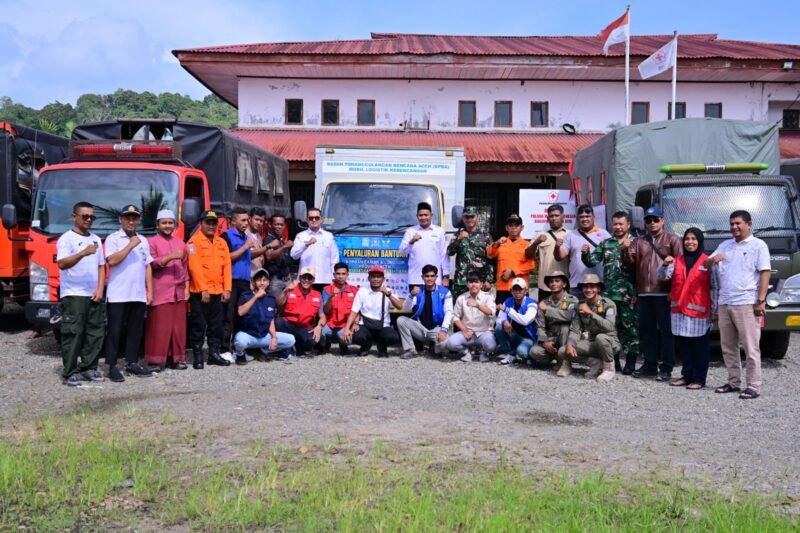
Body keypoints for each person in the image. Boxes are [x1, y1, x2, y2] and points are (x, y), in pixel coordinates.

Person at [706, 210, 771, 400]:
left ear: (749, 224)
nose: (734, 227)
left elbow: (765, 273)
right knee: (728, 346)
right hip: (725, 302)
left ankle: (754, 385)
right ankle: (733, 381)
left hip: (747, 302)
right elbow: (708, 265)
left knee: (750, 347)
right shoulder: (725, 245)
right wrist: (712, 260)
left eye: (738, 223)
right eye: (732, 224)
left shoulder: (758, 246)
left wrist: (761, 300)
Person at [622, 206, 683, 382]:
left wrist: (674, 291)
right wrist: (625, 249)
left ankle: (666, 367)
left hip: (664, 293)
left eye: (656, 219)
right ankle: (649, 365)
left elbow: (680, 268)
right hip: (644, 294)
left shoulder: (673, 240)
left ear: (663, 220)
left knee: (666, 332)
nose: (652, 223)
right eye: (648, 220)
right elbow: (628, 264)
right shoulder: (639, 241)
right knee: (646, 332)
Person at [581, 211, 639, 374]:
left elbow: (641, 270)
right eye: (615, 224)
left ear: (628, 224)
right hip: (609, 296)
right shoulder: (606, 243)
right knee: (611, 328)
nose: (618, 227)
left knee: (631, 329)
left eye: (621, 224)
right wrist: (585, 253)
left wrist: (636, 292)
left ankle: (631, 362)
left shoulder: (636, 242)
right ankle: (613, 360)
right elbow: (592, 261)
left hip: (629, 295)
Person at [56, 202, 106, 386]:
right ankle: (70, 372)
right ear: (74, 216)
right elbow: (62, 263)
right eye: (85, 216)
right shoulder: (66, 239)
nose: (88, 219)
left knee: (95, 332)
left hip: (93, 293)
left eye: (92, 217)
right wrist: (83, 253)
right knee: (73, 333)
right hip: (73, 293)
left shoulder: (96, 239)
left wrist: (100, 288)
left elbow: (101, 266)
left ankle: (89, 367)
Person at [657, 228, 713, 389]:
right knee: (684, 346)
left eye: (694, 239)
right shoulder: (677, 260)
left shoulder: (707, 261)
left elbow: (715, 286)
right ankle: (686, 375)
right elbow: (662, 277)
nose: (690, 242)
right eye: (687, 239)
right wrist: (665, 264)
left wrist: (716, 310)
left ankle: (699, 378)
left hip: (699, 311)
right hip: (679, 310)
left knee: (700, 347)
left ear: (700, 241)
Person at [104, 204, 154, 381]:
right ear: (121, 220)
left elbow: (147, 265)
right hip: (118, 294)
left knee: (135, 330)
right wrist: (130, 245)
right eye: (128, 218)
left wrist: (150, 290)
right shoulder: (113, 238)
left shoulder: (143, 240)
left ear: (139, 221)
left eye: (135, 218)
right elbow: (112, 261)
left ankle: (132, 363)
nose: (131, 221)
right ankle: (111, 365)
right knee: (115, 331)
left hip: (138, 293)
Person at [187, 210, 232, 369]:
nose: (211, 226)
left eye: (214, 223)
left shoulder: (222, 243)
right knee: (198, 325)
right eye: (208, 223)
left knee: (216, 325)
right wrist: (202, 289)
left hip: (218, 292)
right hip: (201, 293)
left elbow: (227, 267)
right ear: (201, 224)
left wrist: (227, 289)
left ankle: (213, 353)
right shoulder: (193, 243)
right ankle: (198, 356)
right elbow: (194, 268)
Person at [144, 209, 189, 371]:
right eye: (164, 223)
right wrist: (169, 257)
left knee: (178, 328)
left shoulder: (180, 243)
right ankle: (155, 361)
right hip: (160, 290)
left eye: (170, 223)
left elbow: (185, 268)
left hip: (178, 291)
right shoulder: (151, 242)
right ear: (157, 224)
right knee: (159, 327)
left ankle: (177, 359)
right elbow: (151, 264)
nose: (168, 226)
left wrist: (187, 288)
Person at [558, 274, 620, 382]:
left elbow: (610, 327)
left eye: (592, 287)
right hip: (592, 342)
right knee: (562, 351)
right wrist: (570, 343)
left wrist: (591, 313)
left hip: (609, 342)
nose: (588, 290)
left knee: (601, 338)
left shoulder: (609, 304)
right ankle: (594, 362)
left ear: (598, 288)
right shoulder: (579, 306)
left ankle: (609, 369)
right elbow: (575, 329)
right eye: (586, 287)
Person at [233, 268, 295, 364]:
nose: (262, 283)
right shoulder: (245, 296)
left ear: (268, 282)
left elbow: (270, 320)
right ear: (253, 282)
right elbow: (240, 312)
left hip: (264, 336)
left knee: (290, 340)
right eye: (259, 280)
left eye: (264, 280)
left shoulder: (270, 299)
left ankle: (262, 351)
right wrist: (255, 297)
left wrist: (274, 337)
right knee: (240, 341)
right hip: (249, 336)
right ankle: (240, 355)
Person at [342, 266, 402, 357]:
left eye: (378, 277)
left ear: (383, 279)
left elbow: (399, 306)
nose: (376, 279)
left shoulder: (388, 291)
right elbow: (354, 311)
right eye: (373, 277)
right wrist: (347, 329)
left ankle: (381, 346)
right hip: (365, 325)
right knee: (356, 337)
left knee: (393, 337)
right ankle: (366, 345)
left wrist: (388, 295)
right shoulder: (362, 291)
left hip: (383, 325)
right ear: (369, 278)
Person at [397, 264, 454, 359]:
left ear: (436, 277)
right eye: (427, 276)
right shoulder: (418, 291)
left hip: (436, 329)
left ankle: (434, 347)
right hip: (420, 328)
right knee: (401, 320)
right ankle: (411, 350)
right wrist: (411, 295)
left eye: (432, 276)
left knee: (445, 344)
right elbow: (406, 308)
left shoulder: (445, 292)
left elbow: (449, 312)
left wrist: (443, 330)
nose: (429, 279)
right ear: (422, 277)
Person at [553, 204, 611, 298]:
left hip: (598, 285)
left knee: (598, 312)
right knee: (576, 312)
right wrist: (557, 247)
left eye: (587, 216)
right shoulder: (571, 235)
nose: (584, 219)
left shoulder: (604, 234)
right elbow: (560, 256)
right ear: (577, 219)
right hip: (577, 285)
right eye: (581, 217)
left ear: (593, 217)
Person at [529, 271, 579, 370]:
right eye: (551, 281)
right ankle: (558, 357)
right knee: (534, 352)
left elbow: (569, 316)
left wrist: (548, 309)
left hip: (568, 338)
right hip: (551, 338)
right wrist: (544, 341)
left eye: (557, 281)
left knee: (564, 328)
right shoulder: (544, 302)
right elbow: (540, 326)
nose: (553, 283)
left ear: (564, 284)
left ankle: (565, 361)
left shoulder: (572, 300)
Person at [275, 267, 328, 357]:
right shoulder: (290, 290)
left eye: (309, 278)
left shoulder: (317, 295)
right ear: (300, 278)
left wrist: (319, 326)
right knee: (278, 322)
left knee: (313, 341)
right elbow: (278, 304)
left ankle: (297, 345)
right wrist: (285, 291)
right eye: (304, 278)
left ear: (313, 280)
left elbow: (322, 315)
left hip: (304, 327)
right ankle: (286, 347)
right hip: (288, 324)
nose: (306, 280)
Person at [222, 207, 255, 350]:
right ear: (233, 221)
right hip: (232, 281)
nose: (246, 223)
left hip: (245, 282)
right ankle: (224, 348)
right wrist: (245, 247)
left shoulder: (246, 237)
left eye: (247, 220)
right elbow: (227, 258)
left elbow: (247, 260)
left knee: (242, 316)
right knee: (228, 316)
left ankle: (238, 348)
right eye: (243, 220)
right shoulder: (226, 236)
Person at [446, 271, 497, 362]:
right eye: (470, 282)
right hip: (467, 333)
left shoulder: (488, 297)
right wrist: (464, 330)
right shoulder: (461, 298)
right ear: (467, 284)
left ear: (481, 284)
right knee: (450, 343)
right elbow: (455, 317)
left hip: (483, 332)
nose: (473, 285)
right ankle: (467, 353)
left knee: (491, 345)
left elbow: (491, 312)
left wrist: (477, 305)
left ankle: (484, 353)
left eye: (476, 282)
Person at [399, 202, 450, 290]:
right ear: (417, 216)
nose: (423, 218)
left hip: (434, 279)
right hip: (416, 279)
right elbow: (402, 251)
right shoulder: (410, 231)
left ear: (431, 215)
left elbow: (444, 255)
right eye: (421, 215)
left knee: (433, 303)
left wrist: (446, 276)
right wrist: (411, 241)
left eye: (426, 215)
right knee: (416, 303)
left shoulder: (439, 231)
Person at [487, 214, 534, 305]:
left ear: (522, 227)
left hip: (520, 289)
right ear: (506, 228)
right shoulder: (501, 242)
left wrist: (513, 272)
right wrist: (497, 243)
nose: (513, 228)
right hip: (503, 287)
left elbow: (530, 265)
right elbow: (490, 254)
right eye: (511, 225)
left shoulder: (527, 245)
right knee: (501, 316)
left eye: (516, 225)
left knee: (521, 316)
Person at [446, 206, 494, 298]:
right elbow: (449, 252)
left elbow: (490, 258)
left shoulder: (485, 236)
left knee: (479, 309)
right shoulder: (457, 234)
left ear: (477, 217)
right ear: (463, 218)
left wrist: (489, 280)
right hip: (461, 282)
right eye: (467, 217)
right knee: (459, 309)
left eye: (472, 216)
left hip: (479, 282)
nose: (469, 219)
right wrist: (458, 239)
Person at [526, 204, 570, 301]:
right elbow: (527, 254)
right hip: (545, 285)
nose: (554, 218)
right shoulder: (540, 235)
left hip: (564, 284)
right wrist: (537, 242)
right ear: (547, 218)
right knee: (543, 314)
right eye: (551, 216)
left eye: (556, 215)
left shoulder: (570, 235)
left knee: (564, 315)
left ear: (563, 217)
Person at [291, 208, 339, 291]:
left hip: (325, 280)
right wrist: (306, 244)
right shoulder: (301, 236)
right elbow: (293, 255)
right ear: (307, 220)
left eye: (317, 218)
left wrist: (334, 279)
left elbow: (334, 259)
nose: (314, 220)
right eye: (311, 218)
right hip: (306, 280)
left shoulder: (329, 236)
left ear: (321, 220)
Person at [495, 277, 538, 366]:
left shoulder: (532, 303)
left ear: (526, 291)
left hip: (528, 338)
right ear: (511, 291)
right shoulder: (508, 301)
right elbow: (499, 318)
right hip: (514, 335)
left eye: (520, 289)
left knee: (522, 352)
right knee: (499, 327)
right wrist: (504, 322)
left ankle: (531, 356)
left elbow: (525, 320)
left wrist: (507, 310)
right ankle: (510, 354)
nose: (517, 292)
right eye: (515, 289)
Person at [322, 262, 360, 355]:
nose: (340, 276)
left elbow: (358, 310)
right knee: (318, 336)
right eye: (338, 274)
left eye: (343, 274)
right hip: (330, 324)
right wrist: (330, 297)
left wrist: (355, 323)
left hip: (345, 326)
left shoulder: (354, 290)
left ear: (347, 275)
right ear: (334, 275)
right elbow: (326, 311)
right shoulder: (326, 289)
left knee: (348, 340)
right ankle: (325, 345)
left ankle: (343, 347)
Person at [263, 214, 294, 297]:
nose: (279, 227)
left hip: (286, 280)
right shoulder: (268, 239)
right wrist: (284, 247)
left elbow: (286, 263)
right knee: (274, 306)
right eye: (277, 224)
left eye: (281, 224)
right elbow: (269, 256)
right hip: (275, 280)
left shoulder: (281, 240)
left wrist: (290, 279)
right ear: (270, 225)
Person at [246, 206, 269, 275]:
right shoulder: (245, 234)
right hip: (248, 274)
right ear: (249, 219)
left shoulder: (258, 235)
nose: (259, 223)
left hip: (258, 274)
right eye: (256, 219)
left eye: (261, 221)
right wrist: (268, 246)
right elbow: (248, 254)